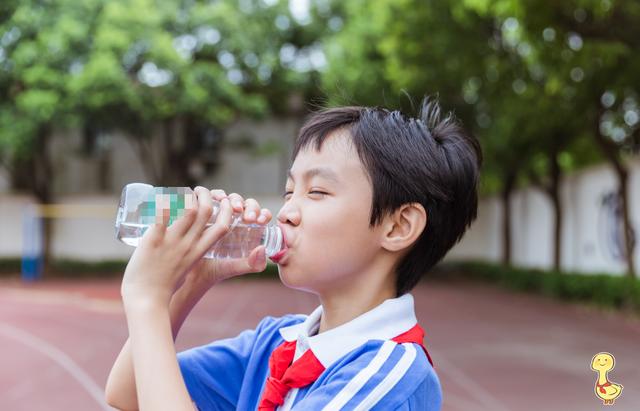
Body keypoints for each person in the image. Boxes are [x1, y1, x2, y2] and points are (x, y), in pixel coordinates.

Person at [105, 98, 482, 411]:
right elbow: (129, 395)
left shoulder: (387, 375)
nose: (286, 212)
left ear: (398, 227)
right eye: (289, 192)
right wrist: (187, 285)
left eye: (316, 192)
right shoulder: (276, 341)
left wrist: (147, 301)